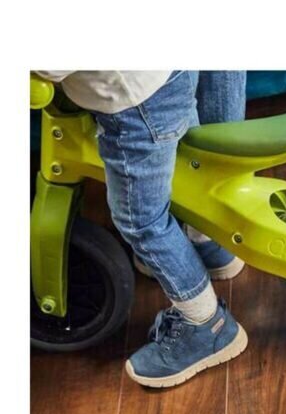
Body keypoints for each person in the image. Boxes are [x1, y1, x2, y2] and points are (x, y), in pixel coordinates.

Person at [36, 71, 249, 388]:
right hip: (167, 75)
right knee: (185, 170)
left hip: (137, 106)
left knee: (141, 221)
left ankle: (206, 324)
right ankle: (206, 245)